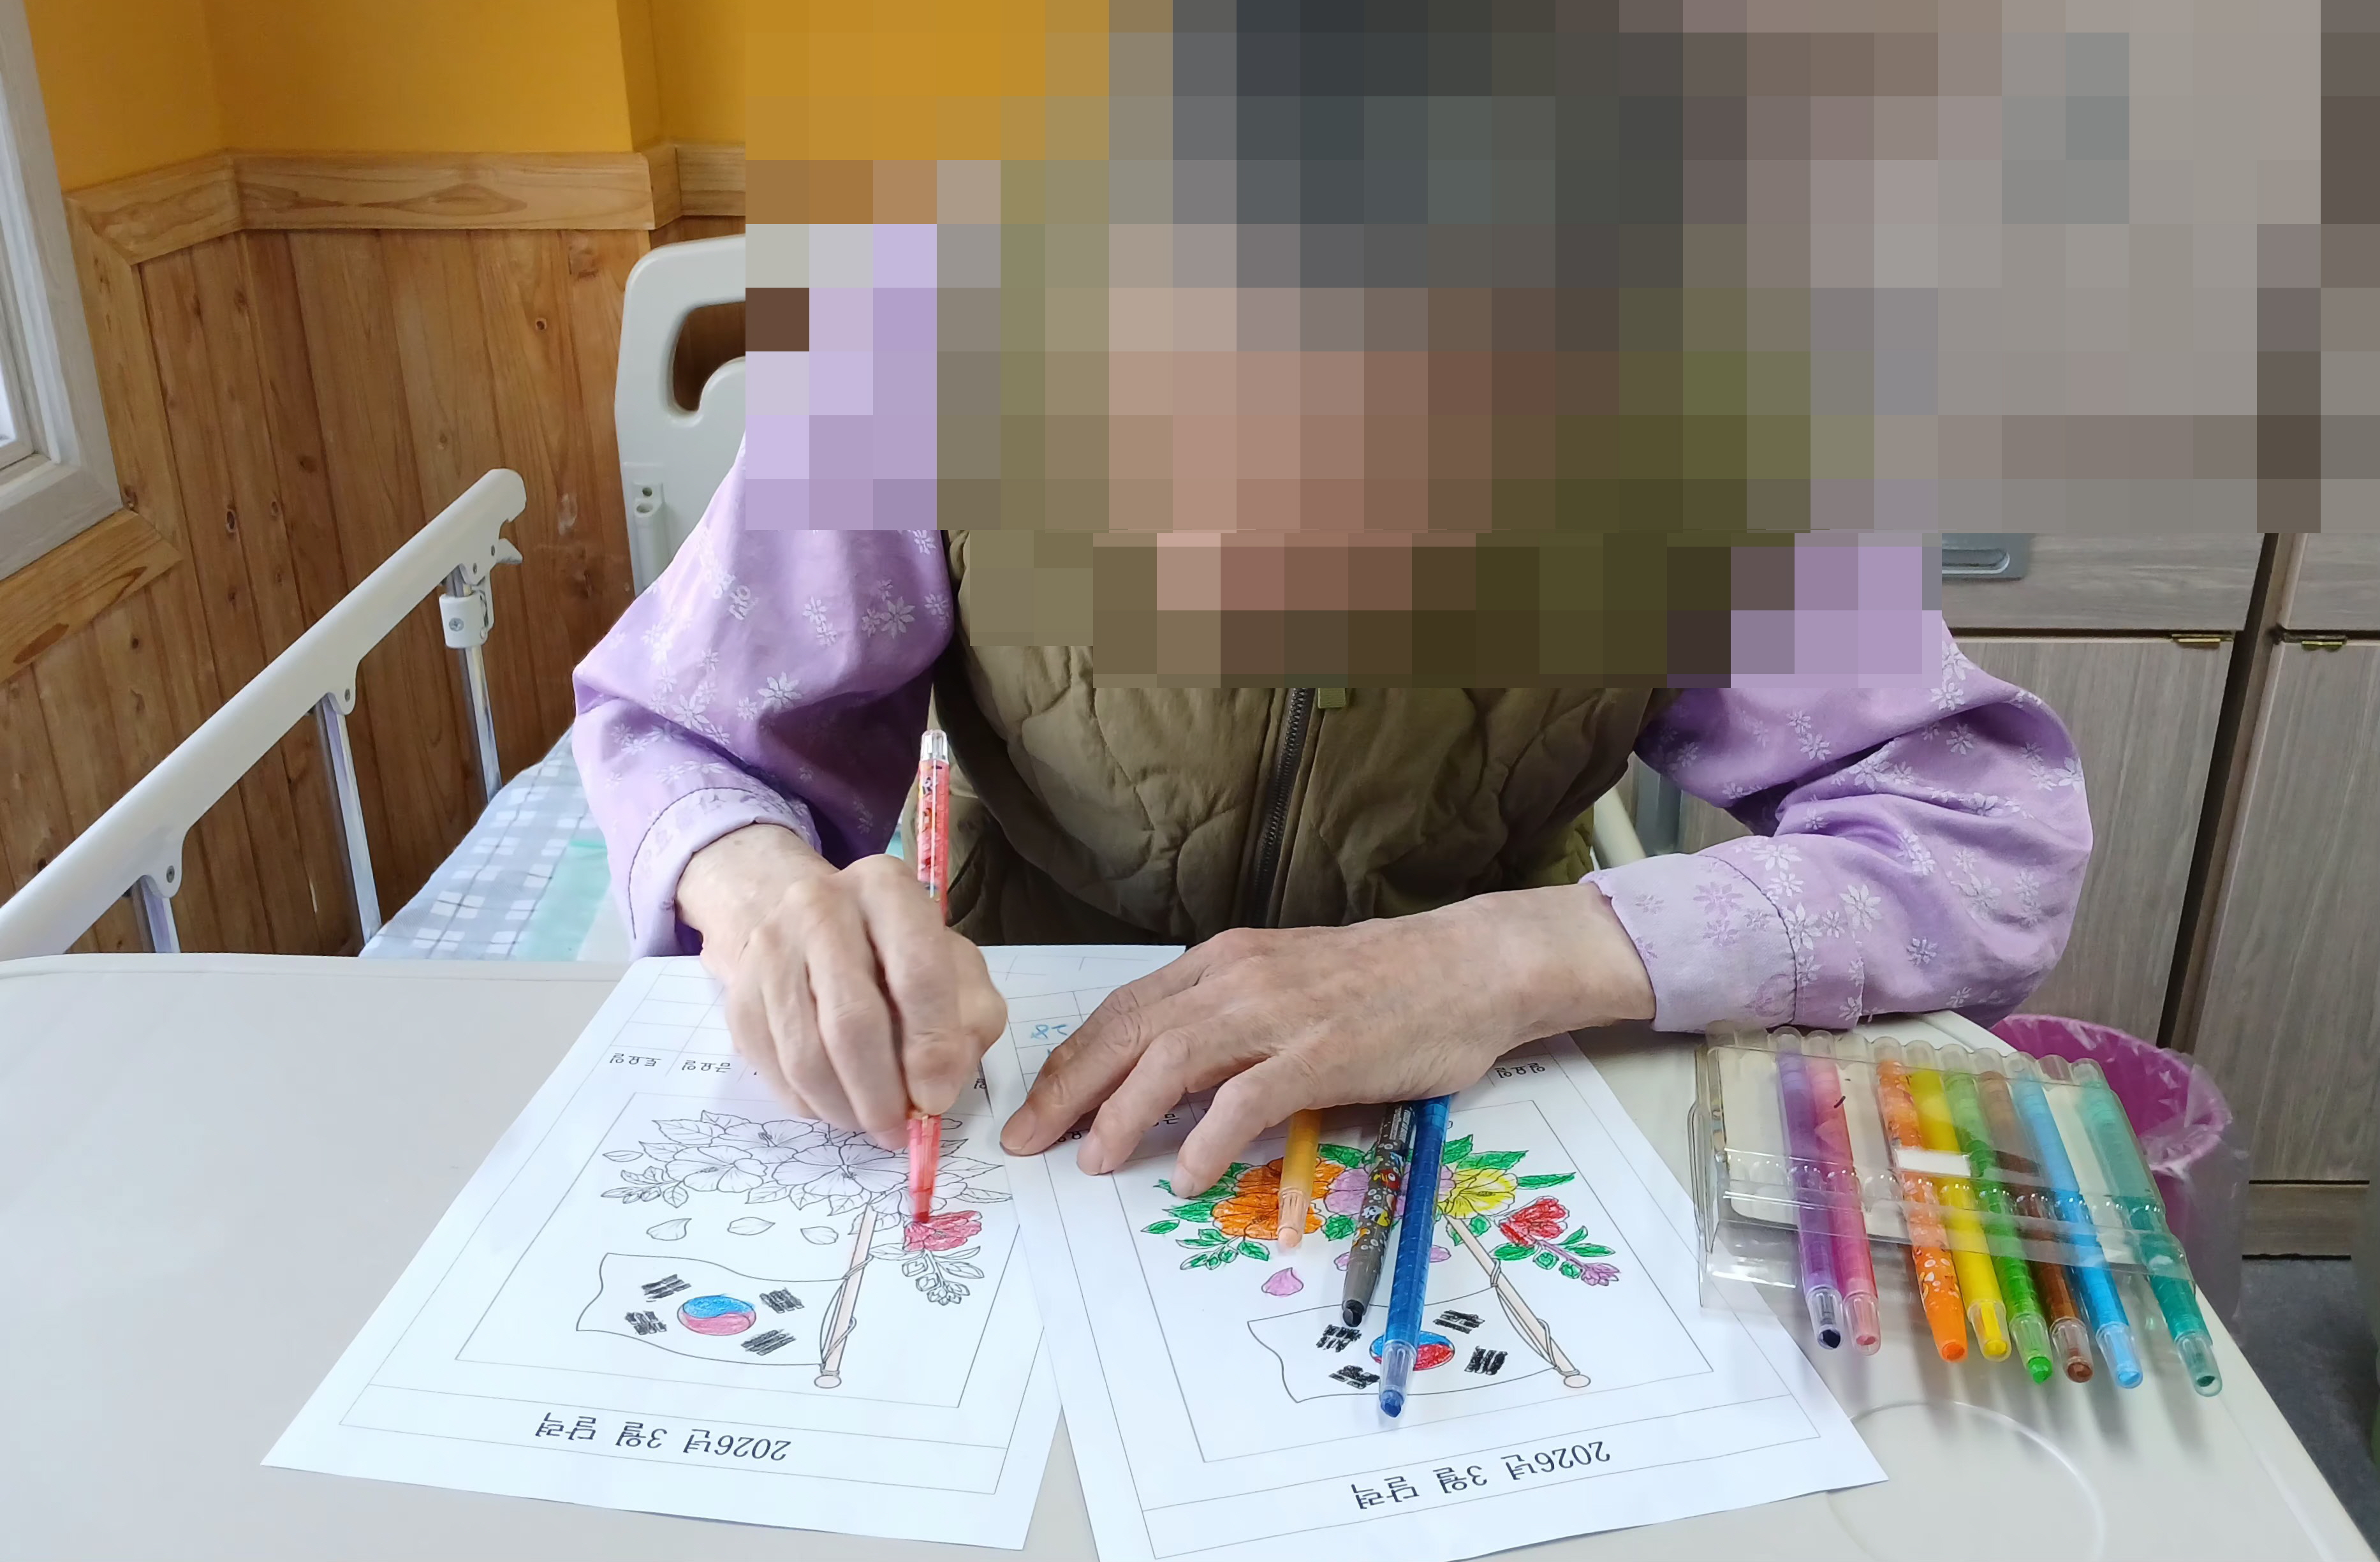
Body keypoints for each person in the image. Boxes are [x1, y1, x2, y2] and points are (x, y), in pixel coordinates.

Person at [573, 476, 2090, 1197]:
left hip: (1486, 1072)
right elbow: (680, 723)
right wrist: (755, 881)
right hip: (1021, 1054)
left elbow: (1983, 829)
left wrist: (1508, 959)